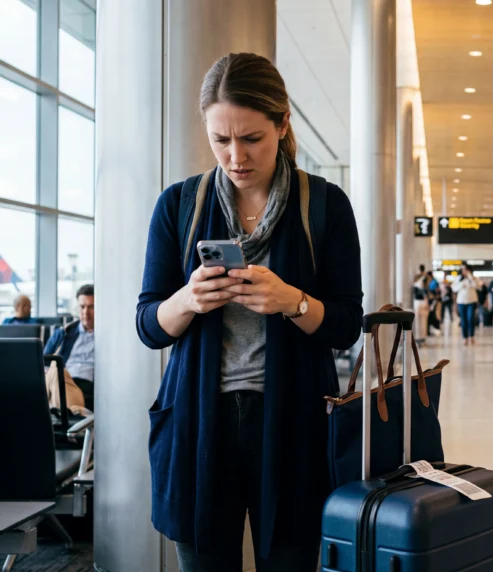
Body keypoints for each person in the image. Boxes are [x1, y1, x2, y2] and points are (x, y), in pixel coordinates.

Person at [134, 53, 362, 571]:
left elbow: (347, 324)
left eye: (251, 138)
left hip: (295, 424)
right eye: (221, 140)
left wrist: (294, 302)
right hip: (199, 424)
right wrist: (188, 299)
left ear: (282, 124)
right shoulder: (180, 205)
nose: (235, 156)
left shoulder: (324, 205)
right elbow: (149, 325)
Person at [43, 284, 95, 410]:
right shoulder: (63, 333)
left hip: (87, 385)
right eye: (82, 307)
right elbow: (43, 361)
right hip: (62, 379)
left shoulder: (107, 336)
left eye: (91, 307)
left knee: (56, 370)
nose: (85, 312)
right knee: (55, 367)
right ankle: (70, 412)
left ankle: (56, 410)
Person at [452, 264, 480, 345]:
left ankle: (471, 336)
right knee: (463, 320)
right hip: (461, 302)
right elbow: (454, 288)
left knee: (470, 319)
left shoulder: (474, 278)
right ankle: (465, 338)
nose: (464, 271)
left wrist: (470, 277)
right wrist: (461, 285)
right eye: (463, 270)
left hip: (471, 301)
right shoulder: (458, 279)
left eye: (466, 270)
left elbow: (477, 286)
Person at [412, 273, 430, 342]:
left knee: (418, 321)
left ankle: (418, 337)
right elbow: (425, 296)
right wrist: (427, 304)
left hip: (417, 304)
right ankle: (421, 337)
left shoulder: (415, 285)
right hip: (422, 304)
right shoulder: (422, 285)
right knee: (423, 321)